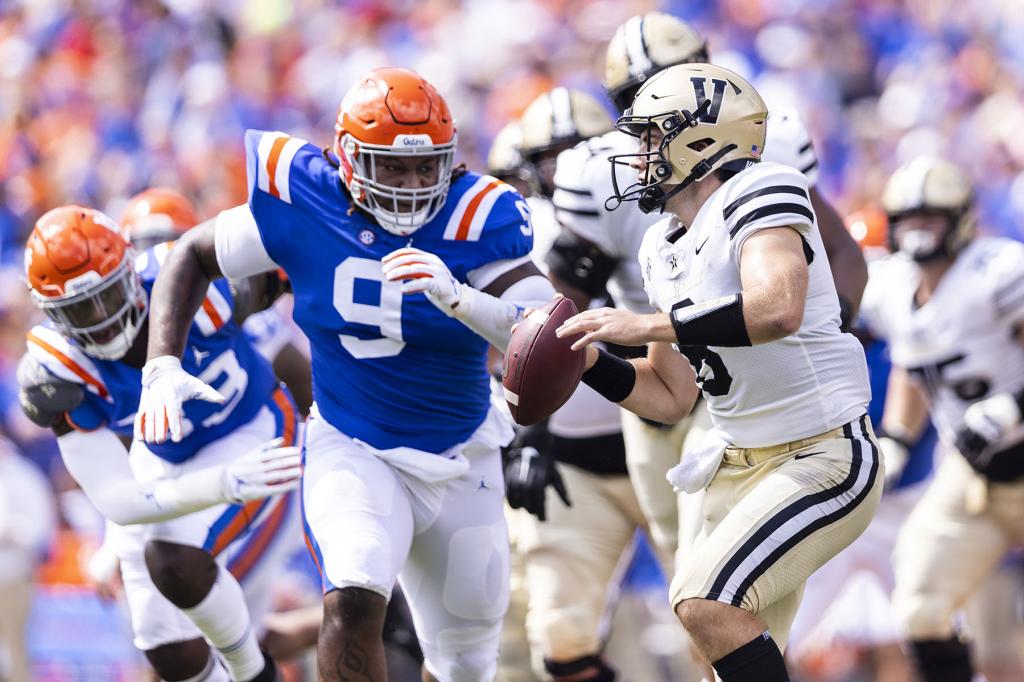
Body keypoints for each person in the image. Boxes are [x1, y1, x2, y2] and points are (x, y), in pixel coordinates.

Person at [133, 66, 555, 682]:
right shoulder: (308, 203)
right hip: (355, 442)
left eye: (425, 167)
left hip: (463, 449)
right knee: (353, 590)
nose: (412, 184)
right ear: (350, 159)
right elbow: (193, 254)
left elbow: (541, 327)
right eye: (392, 167)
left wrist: (462, 299)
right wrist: (161, 362)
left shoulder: (474, 217)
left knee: (464, 660)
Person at [555, 62, 880, 682]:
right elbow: (671, 396)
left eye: (653, 139)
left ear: (701, 143)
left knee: (705, 603)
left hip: (822, 454)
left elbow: (777, 308)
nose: (640, 155)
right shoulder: (661, 245)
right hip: (738, 461)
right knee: (714, 650)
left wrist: (645, 326)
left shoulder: (765, 189)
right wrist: (589, 361)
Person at [19, 205, 301, 682]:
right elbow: (118, 500)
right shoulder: (59, 373)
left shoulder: (198, 287)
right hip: (166, 454)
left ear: (131, 271)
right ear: (50, 314)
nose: (101, 320)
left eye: (106, 297)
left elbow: (294, 273)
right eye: (78, 310)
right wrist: (221, 483)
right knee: (159, 640)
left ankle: (256, 675)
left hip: (251, 427)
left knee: (175, 561)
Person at [500, 89, 662, 682]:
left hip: (668, 448)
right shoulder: (523, 234)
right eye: (554, 161)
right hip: (571, 461)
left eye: (584, 155)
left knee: (719, 617)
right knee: (561, 637)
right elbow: (514, 351)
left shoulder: (666, 222)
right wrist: (525, 436)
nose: (573, 174)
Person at [862, 157, 1024, 682]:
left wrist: (1013, 407)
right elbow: (914, 367)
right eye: (909, 220)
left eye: (932, 219)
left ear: (960, 220)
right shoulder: (890, 288)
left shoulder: (998, 271)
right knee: (920, 606)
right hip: (975, 475)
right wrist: (897, 440)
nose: (919, 232)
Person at [0, 437, 55, 682]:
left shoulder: (24, 477)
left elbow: (41, 531)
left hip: (13, 577)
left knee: (15, 652)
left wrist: (12, 531)